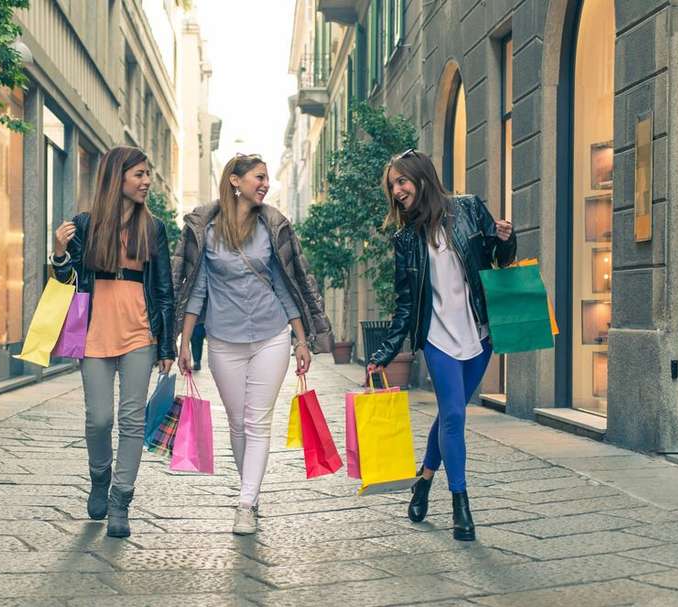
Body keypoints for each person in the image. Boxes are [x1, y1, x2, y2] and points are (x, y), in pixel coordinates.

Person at [173, 153, 332, 535]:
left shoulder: (272, 226)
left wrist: (300, 338)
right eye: (258, 177)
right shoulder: (207, 231)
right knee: (237, 421)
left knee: (257, 421)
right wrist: (184, 340)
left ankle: (245, 502)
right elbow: (197, 289)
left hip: (271, 333)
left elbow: (286, 284)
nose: (265, 184)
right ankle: (253, 491)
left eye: (266, 179)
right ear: (235, 181)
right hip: (223, 338)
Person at [367, 149, 516, 541]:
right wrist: (385, 351)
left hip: (478, 333)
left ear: (421, 177)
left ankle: (424, 480)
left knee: (450, 414)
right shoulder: (405, 238)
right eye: (392, 186)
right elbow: (404, 302)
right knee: (454, 417)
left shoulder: (468, 209)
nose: (397, 191)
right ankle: (461, 506)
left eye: (402, 181)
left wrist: (506, 238)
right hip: (437, 337)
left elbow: (498, 262)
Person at [49, 146, 175, 538]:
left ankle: (121, 500)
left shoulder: (152, 228)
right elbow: (62, 285)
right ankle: (100, 477)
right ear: (117, 177)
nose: (146, 181)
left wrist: (167, 346)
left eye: (147, 174)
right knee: (99, 418)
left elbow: (165, 289)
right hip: (93, 333)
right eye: (139, 174)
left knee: (133, 419)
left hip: (140, 332)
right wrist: (58, 253)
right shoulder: (85, 226)